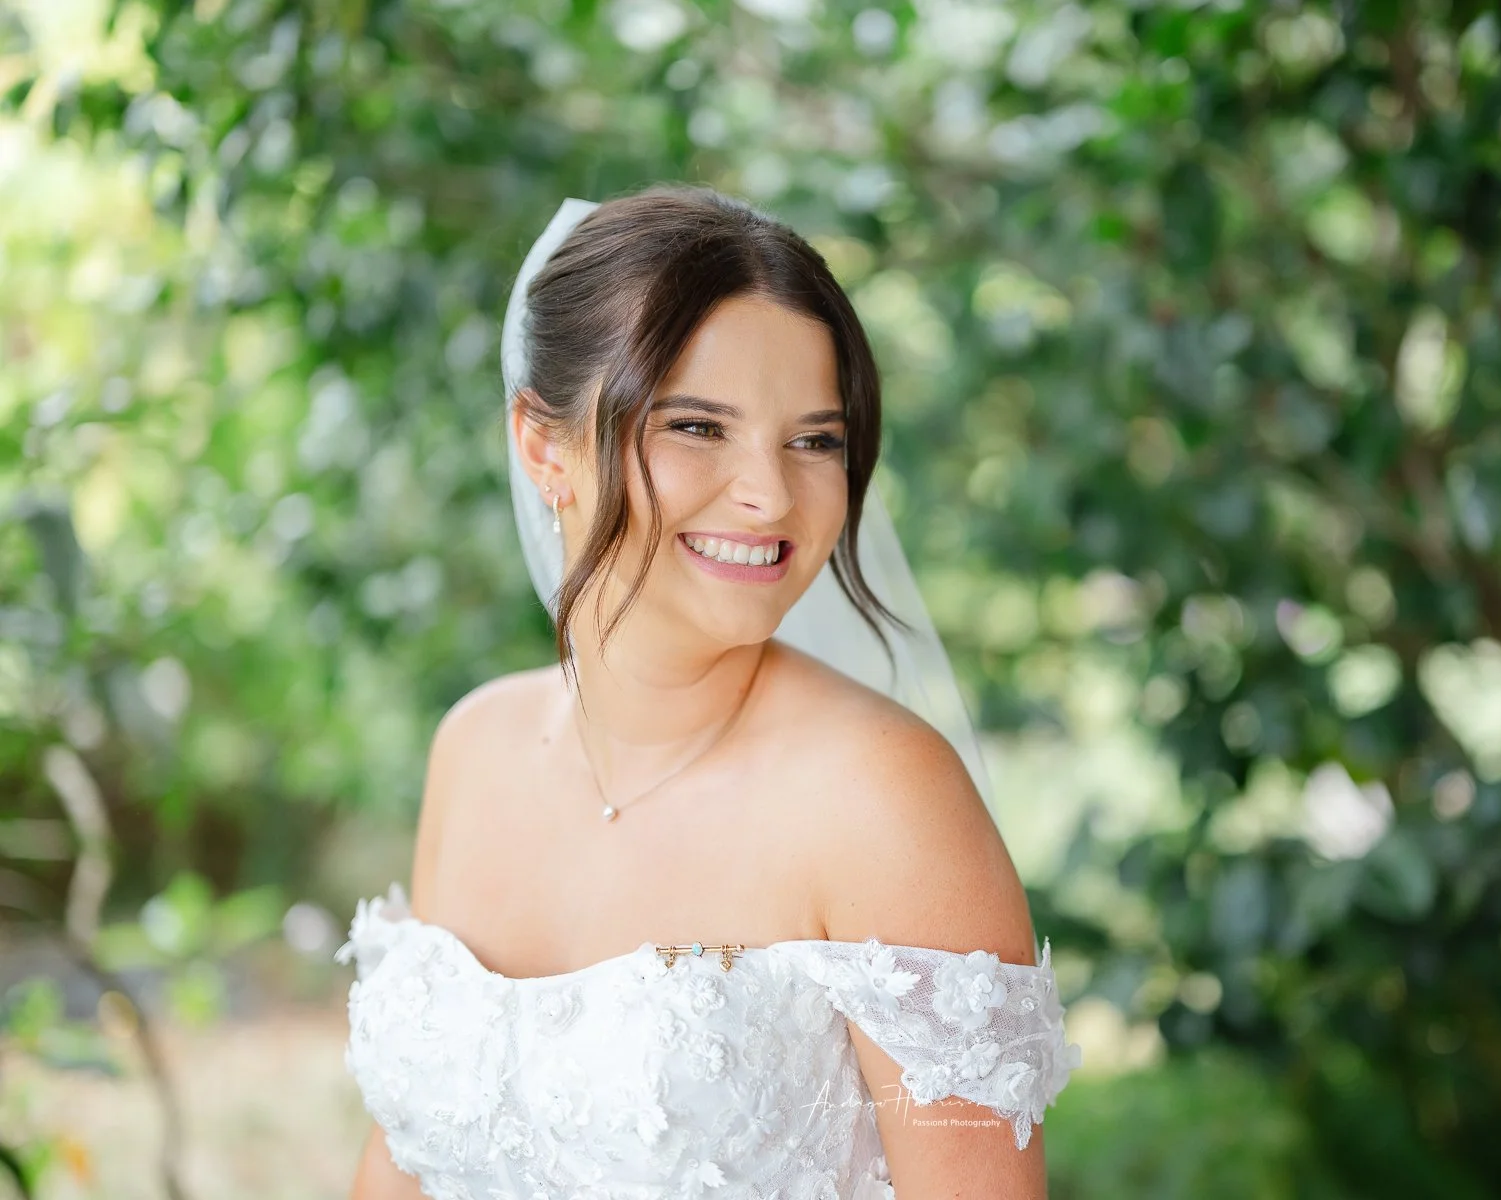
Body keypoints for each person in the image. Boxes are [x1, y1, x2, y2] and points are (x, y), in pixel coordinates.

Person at [337, 184, 1080, 1200]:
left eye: (815, 440)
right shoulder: (475, 749)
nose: (771, 497)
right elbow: (402, 1165)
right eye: (696, 427)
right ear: (545, 446)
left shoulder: (880, 799)